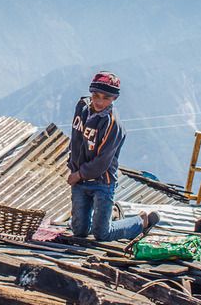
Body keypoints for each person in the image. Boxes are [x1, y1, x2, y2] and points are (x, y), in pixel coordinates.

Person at [67, 71, 159, 242]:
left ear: (114, 99)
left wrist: (78, 174)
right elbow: (76, 138)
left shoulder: (113, 125)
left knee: (102, 234)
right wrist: (72, 165)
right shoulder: (82, 108)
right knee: (79, 231)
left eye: (106, 98)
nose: (99, 101)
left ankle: (141, 221)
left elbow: (102, 161)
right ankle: (112, 215)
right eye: (96, 95)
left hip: (102, 181)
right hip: (80, 180)